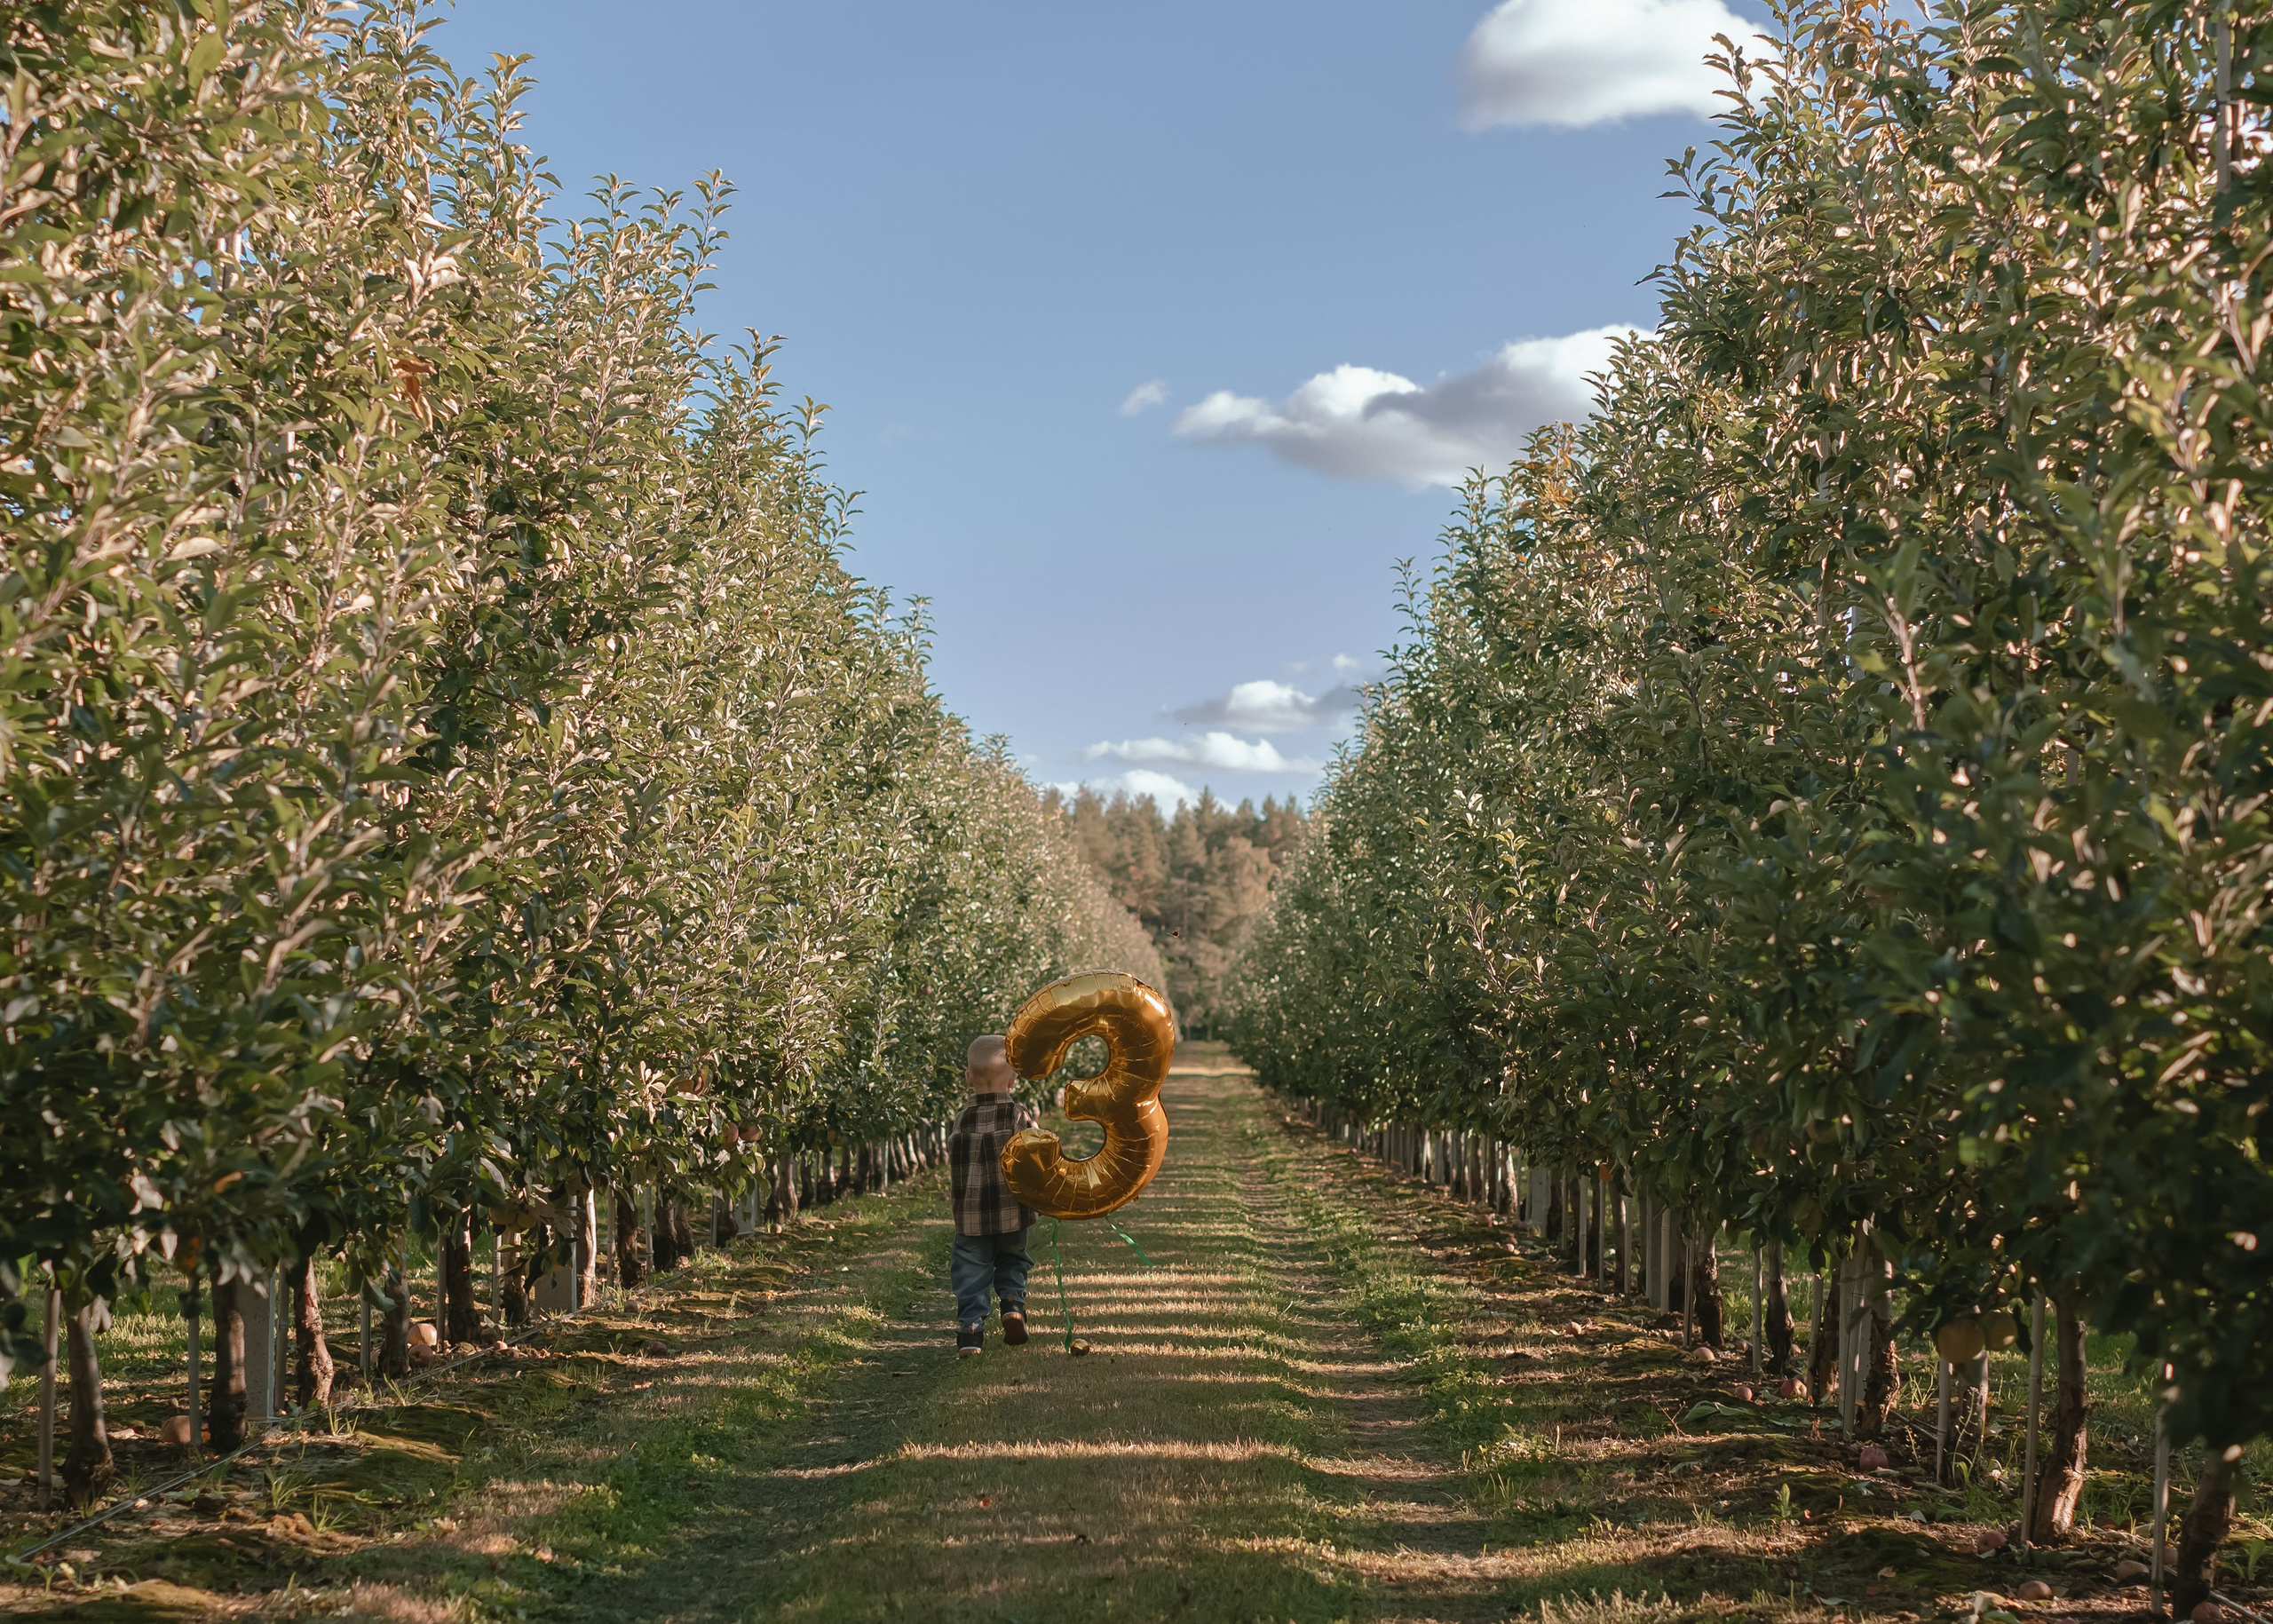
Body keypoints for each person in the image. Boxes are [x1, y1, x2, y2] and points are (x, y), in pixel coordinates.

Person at [948, 1034, 1037, 1357]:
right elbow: (1034, 1154)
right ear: (1013, 1081)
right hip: (1013, 1209)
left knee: (971, 1268)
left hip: (971, 1215)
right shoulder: (1018, 1116)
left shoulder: (961, 1120)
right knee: (1013, 1258)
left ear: (968, 1078)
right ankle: (1013, 1305)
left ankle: (971, 1329)